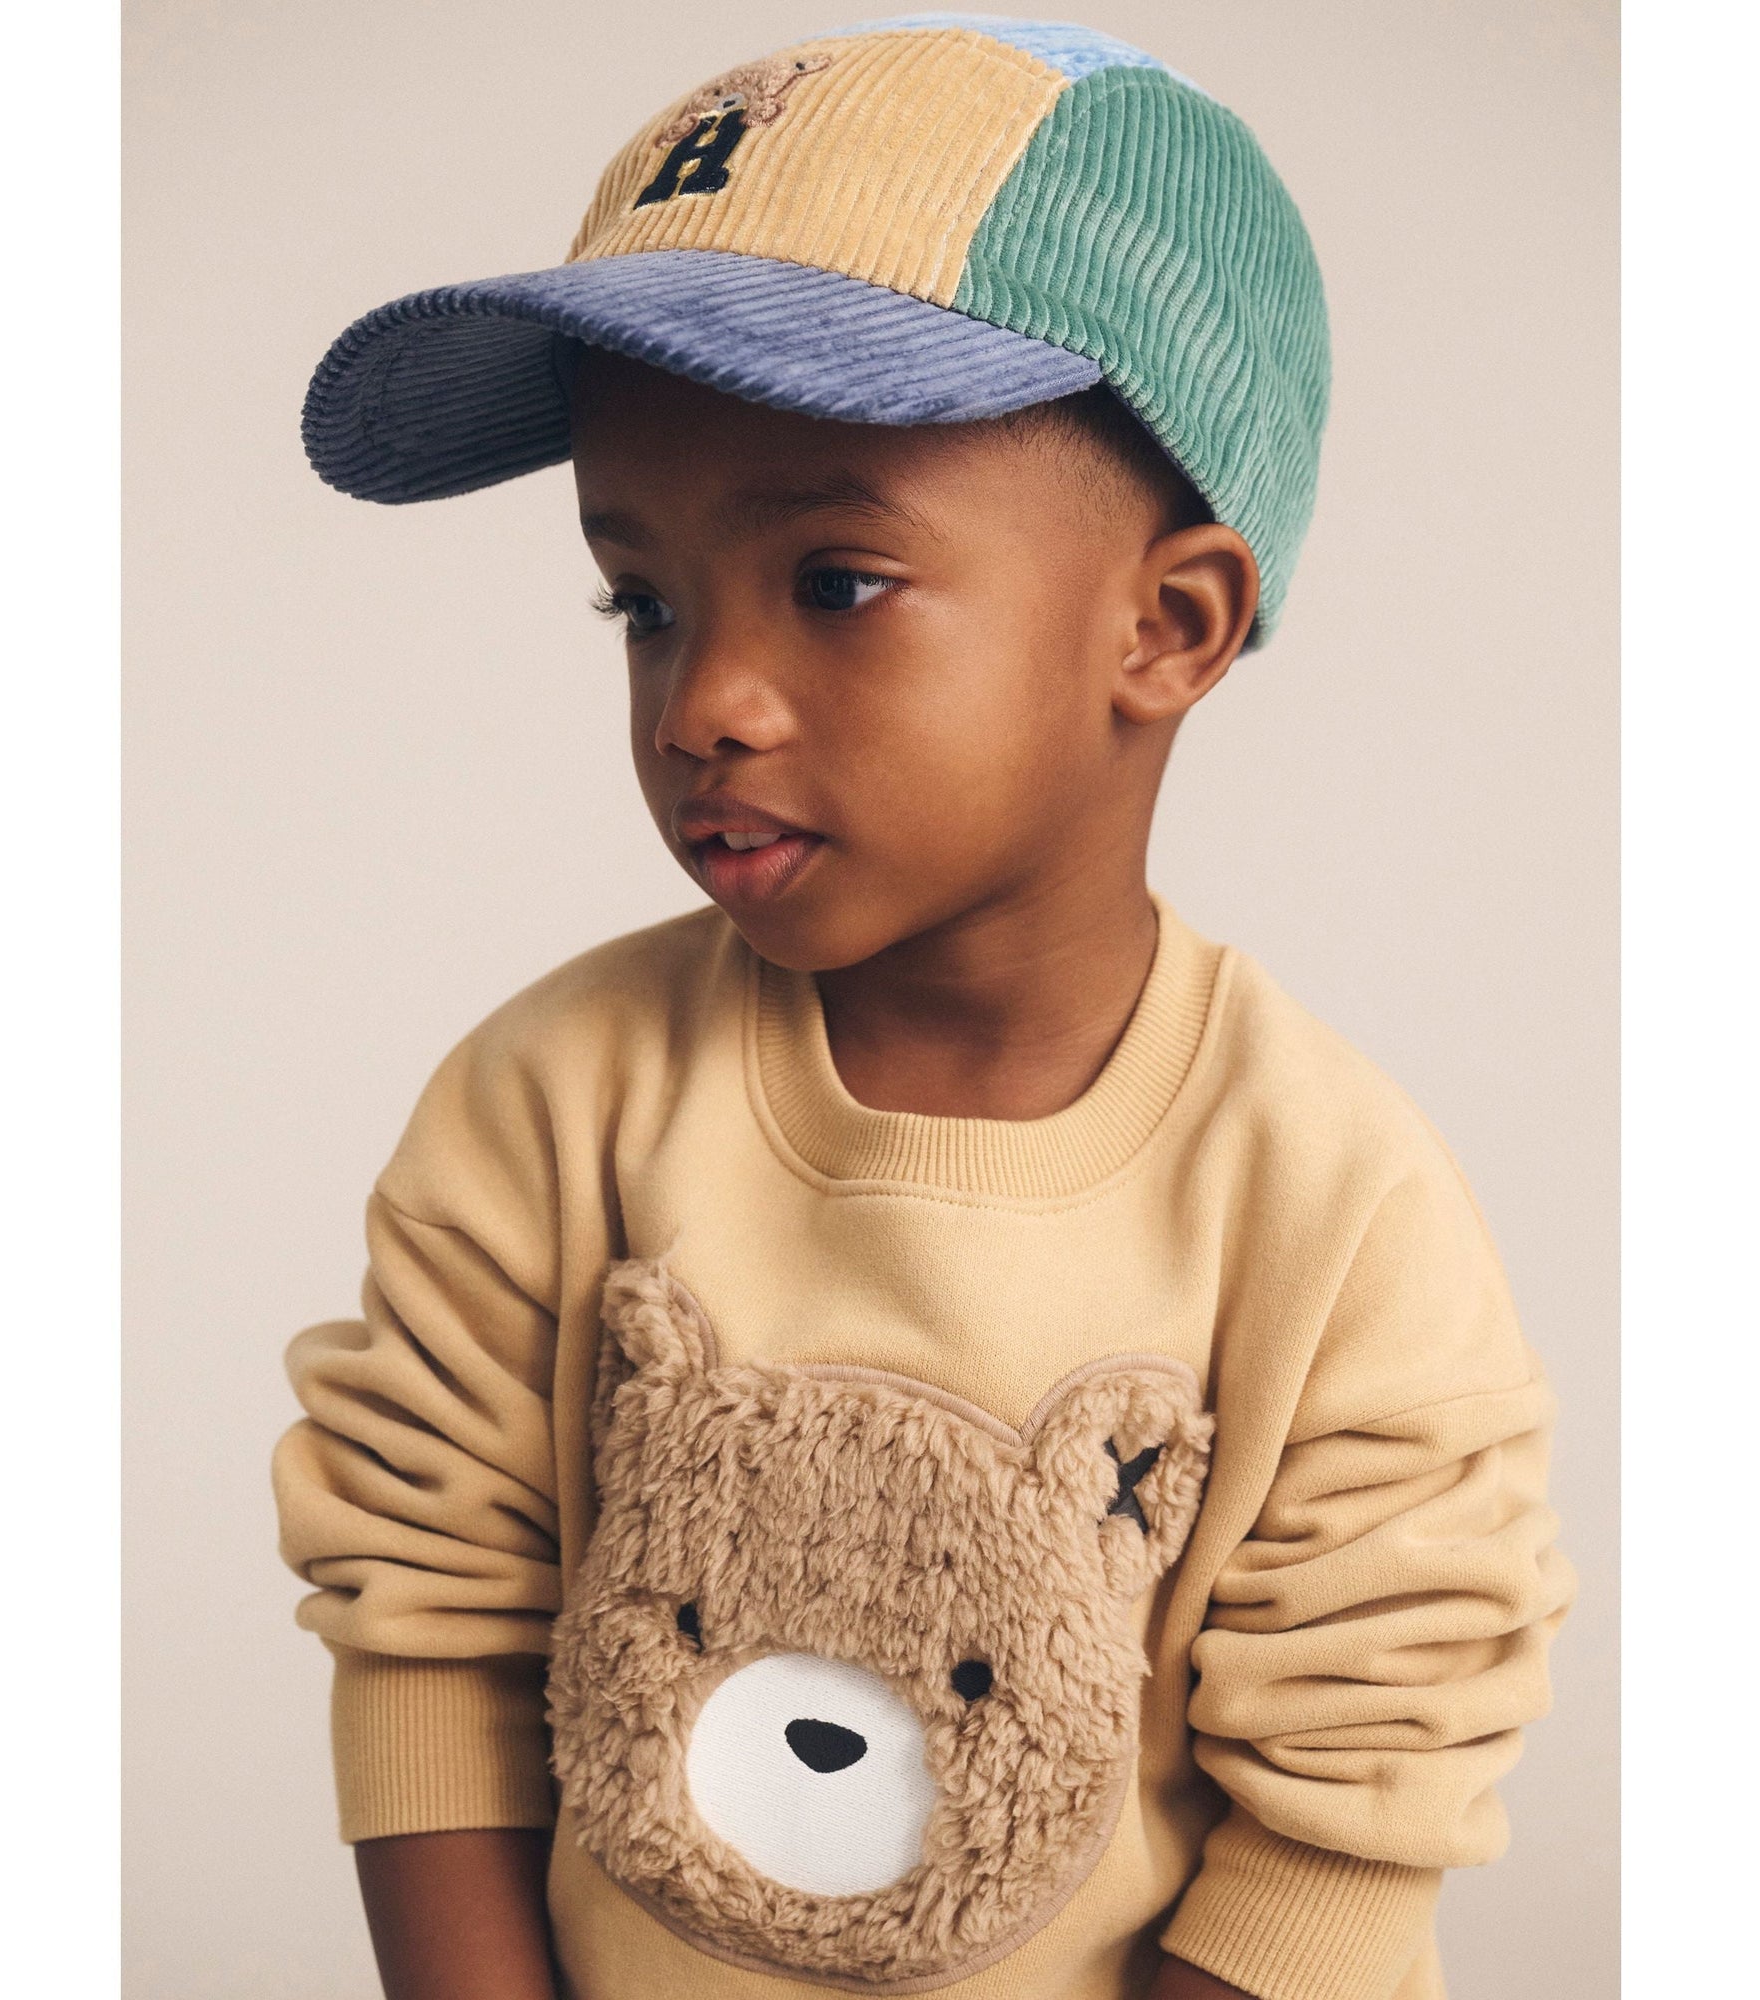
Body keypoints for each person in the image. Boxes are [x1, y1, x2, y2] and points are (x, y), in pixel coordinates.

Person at [273, 17, 1573, 2000]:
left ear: (1168, 625)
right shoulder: (548, 1104)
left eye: (835, 581)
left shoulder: (1331, 1207)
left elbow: (1352, 1808)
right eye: (643, 600)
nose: (702, 700)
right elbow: (429, 1624)